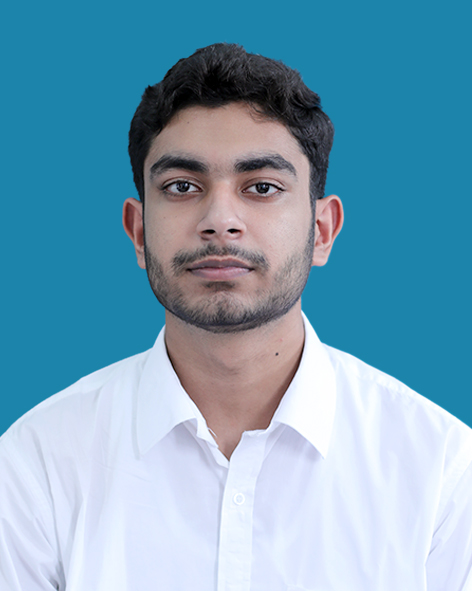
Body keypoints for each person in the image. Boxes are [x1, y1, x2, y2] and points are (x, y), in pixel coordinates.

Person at [0, 43, 471, 591]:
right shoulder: (37, 463)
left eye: (262, 187)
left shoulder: (441, 471)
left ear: (322, 231)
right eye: (182, 187)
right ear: (138, 231)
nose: (220, 220)